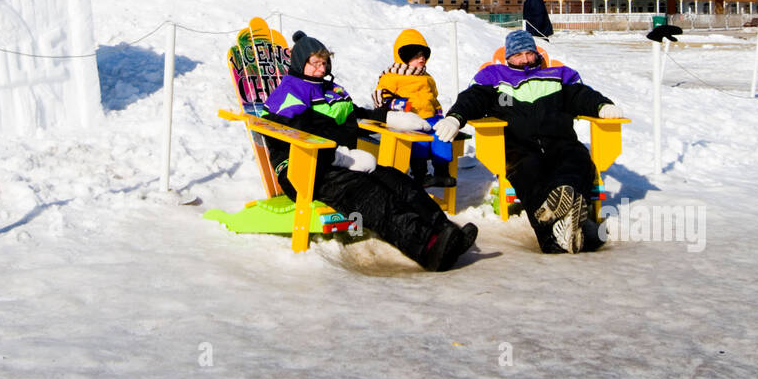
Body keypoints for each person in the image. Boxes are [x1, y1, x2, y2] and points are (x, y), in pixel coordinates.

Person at [264, 31, 477, 271]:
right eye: (314, 63)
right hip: (306, 169)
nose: (320, 69)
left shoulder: (330, 91)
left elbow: (356, 114)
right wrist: (342, 158)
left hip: (345, 162)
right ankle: (428, 248)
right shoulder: (289, 94)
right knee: (374, 196)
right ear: (300, 63)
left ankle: (445, 230)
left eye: (324, 63)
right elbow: (296, 134)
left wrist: (391, 117)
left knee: (398, 181)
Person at [434, 30, 623, 254]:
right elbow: (473, 99)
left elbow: (582, 95)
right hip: (519, 147)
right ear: (508, 57)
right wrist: (456, 117)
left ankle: (564, 205)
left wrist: (602, 105)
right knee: (528, 171)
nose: (524, 59)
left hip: (560, 141)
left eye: (528, 53)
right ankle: (558, 233)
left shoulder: (558, 75)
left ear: (536, 53)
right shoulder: (494, 77)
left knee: (578, 162)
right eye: (518, 55)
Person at [372, 28, 454, 187]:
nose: (421, 58)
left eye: (423, 54)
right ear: (404, 56)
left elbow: (433, 97)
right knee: (419, 141)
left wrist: (438, 111)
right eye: (416, 55)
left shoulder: (427, 77)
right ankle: (420, 174)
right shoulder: (392, 76)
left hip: (431, 118)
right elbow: (380, 97)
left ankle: (442, 172)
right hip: (410, 120)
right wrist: (397, 104)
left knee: (442, 136)